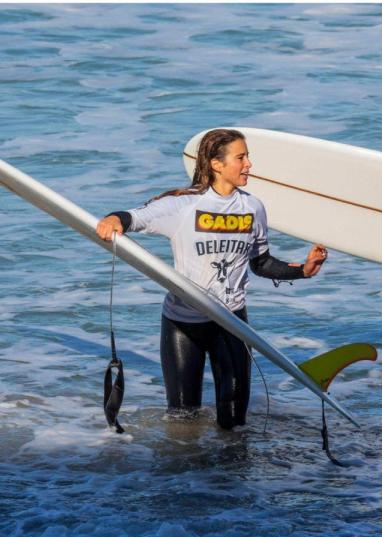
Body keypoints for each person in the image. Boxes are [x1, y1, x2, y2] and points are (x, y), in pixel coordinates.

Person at [96, 129, 328, 429]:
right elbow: (133, 217)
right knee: (183, 421)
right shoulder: (183, 206)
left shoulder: (253, 208)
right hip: (183, 323)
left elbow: (261, 262)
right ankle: (186, 474)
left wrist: (303, 270)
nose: (249, 164)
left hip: (231, 322)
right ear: (217, 164)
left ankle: (231, 476)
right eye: (241, 157)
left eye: (248, 157)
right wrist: (114, 220)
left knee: (234, 423)